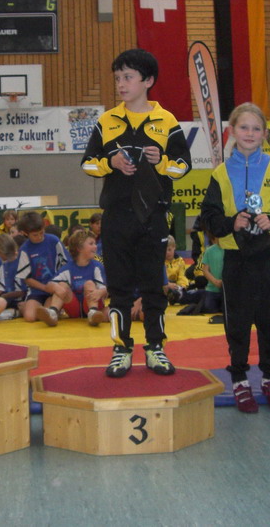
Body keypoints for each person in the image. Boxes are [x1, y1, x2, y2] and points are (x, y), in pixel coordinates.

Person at [81, 48, 191, 378]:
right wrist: (109, 163)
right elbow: (87, 164)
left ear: (148, 81)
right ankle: (121, 349)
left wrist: (162, 162)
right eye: (117, 78)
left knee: (153, 287)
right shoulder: (107, 121)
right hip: (116, 217)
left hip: (153, 217)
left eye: (128, 77)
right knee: (118, 288)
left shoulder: (167, 121)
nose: (121, 83)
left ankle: (156, 347)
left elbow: (183, 166)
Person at [200, 103, 270, 413]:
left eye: (256, 129)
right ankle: (240, 381)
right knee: (238, 324)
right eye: (244, 127)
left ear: (265, 134)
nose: (250, 133)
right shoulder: (219, 174)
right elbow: (209, 217)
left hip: (269, 258)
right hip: (236, 260)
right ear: (232, 131)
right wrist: (231, 223)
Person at [15, 210, 68, 326]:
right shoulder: (25, 249)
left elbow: (66, 264)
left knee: (48, 311)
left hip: (54, 287)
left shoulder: (53, 241)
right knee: (29, 317)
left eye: (41, 233)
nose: (39, 237)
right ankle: (29, 307)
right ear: (25, 233)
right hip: (37, 289)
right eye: (35, 235)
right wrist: (44, 288)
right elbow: (27, 278)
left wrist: (55, 284)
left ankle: (53, 309)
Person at [47, 229, 109, 325]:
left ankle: (93, 313)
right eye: (91, 244)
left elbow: (105, 288)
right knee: (61, 285)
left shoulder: (97, 266)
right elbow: (49, 285)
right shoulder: (68, 268)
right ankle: (52, 313)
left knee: (89, 284)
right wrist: (55, 287)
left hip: (93, 305)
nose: (95, 246)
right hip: (74, 309)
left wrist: (100, 292)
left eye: (95, 243)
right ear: (79, 248)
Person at [163, 235, 189, 304]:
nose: (167, 252)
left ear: (174, 247)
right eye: (164, 250)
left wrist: (181, 286)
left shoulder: (180, 261)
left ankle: (176, 295)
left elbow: (182, 276)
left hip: (175, 285)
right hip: (164, 284)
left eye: (169, 250)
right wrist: (167, 284)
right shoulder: (160, 262)